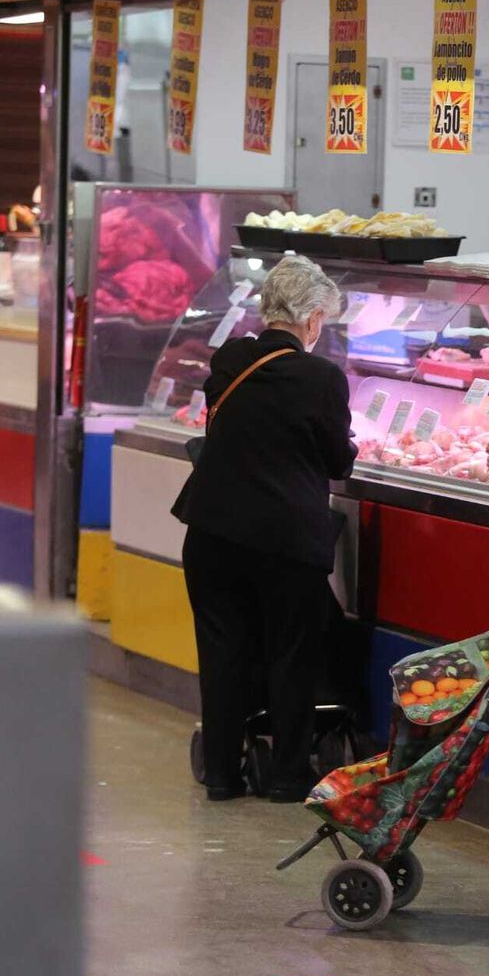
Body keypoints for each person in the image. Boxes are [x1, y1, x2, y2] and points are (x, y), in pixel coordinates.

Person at [172, 255, 356, 803]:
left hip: (212, 530)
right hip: (284, 540)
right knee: (290, 654)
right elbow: (336, 462)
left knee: (223, 652)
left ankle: (223, 775)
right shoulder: (322, 377)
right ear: (313, 318)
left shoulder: (231, 360)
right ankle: (287, 775)